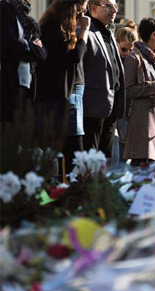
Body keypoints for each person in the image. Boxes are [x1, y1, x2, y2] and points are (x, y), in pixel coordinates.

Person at [35, 0, 90, 174]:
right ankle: (61, 194)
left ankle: (66, 192)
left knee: (71, 150)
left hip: (64, 95)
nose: (84, 11)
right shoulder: (53, 28)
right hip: (56, 97)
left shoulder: (58, 27)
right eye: (82, 6)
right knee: (66, 151)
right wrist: (85, 31)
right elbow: (74, 57)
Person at [122, 18, 155, 166]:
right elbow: (128, 90)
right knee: (141, 170)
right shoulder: (134, 58)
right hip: (143, 126)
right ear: (153, 35)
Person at [82, 0, 125, 161]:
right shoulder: (86, 31)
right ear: (93, 9)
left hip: (111, 107)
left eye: (115, 5)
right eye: (108, 6)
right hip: (93, 108)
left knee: (105, 159)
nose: (114, 9)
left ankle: (102, 186)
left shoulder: (108, 32)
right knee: (91, 159)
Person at [1, 0, 47, 124]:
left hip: (27, 82)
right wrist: (32, 47)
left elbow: (43, 53)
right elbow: (13, 45)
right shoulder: (5, 9)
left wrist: (29, 46)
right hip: (10, 83)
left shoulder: (28, 21)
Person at [114, 19, 138, 164]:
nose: (127, 53)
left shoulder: (133, 60)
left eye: (131, 50)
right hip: (116, 110)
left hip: (129, 112)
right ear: (117, 43)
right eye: (124, 49)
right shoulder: (114, 60)